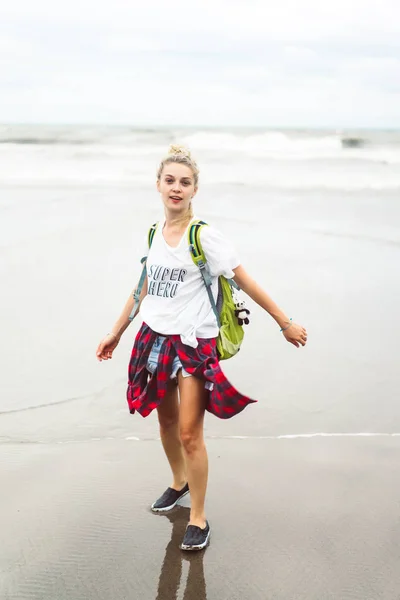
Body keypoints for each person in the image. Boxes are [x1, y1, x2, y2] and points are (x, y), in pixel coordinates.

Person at [96, 145, 307, 551]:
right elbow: (142, 288)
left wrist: (285, 321)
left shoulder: (205, 236)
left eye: (185, 182)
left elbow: (245, 281)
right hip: (154, 338)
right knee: (165, 424)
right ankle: (179, 481)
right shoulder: (155, 232)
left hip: (192, 343)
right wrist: (116, 332)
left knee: (191, 433)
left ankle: (199, 516)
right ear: (158, 185)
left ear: (195, 190)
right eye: (170, 180)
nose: (176, 188)